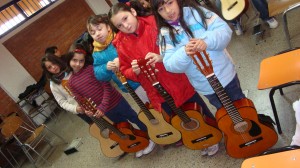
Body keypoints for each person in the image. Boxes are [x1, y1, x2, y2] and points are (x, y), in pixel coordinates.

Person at [108, 2, 218, 155]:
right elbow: (124, 68)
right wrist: (135, 72)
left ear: (133, 11)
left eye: (125, 18)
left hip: (175, 78)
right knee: (178, 117)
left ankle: (214, 133)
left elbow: (178, 42)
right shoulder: (120, 43)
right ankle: (198, 139)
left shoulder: (155, 22)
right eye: (120, 25)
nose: (125, 26)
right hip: (156, 89)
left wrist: (162, 57)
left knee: (198, 110)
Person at [150, 0, 246, 155]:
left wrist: (206, 41)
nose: (168, 10)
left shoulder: (198, 13)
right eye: (161, 8)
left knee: (241, 104)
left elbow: (225, 31)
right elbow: (169, 64)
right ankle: (238, 134)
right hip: (205, 85)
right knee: (223, 111)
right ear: (157, 13)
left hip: (226, 74)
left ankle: (251, 127)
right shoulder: (164, 34)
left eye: (169, 3)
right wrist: (184, 51)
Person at [65, 45, 155, 158]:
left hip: (116, 101)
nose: (78, 64)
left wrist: (103, 105)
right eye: (74, 60)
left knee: (135, 118)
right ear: (69, 60)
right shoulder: (71, 83)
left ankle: (150, 137)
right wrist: (87, 110)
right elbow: (80, 99)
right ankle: (140, 142)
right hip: (105, 111)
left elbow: (106, 86)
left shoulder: (91, 70)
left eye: (81, 61)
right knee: (124, 127)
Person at [86, 14, 149, 103]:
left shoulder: (120, 37)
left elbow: (136, 51)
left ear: (108, 27)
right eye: (93, 33)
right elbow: (98, 74)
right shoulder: (96, 53)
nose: (97, 34)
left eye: (99, 29)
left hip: (142, 77)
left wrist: (121, 59)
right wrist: (105, 67)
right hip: (129, 86)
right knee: (150, 107)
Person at [41, 54, 93, 125]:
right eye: (49, 67)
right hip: (81, 109)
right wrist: (75, 108)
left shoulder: (71, 69)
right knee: (95, 127)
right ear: (47, 70)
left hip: (93, 99)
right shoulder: (53, 85)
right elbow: (62, 102)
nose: (53, 67)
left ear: (57, 61)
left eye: (53, 63)